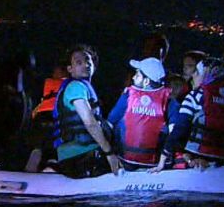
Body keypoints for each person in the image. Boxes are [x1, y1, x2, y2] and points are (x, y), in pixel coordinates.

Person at [160, 57, 224, 170]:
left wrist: (163, 157)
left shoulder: (196, 96)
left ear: (207, 75)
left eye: (197, 72)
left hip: (198, 157)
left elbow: (179, 129)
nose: (193, 76)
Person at [52, 44, 122, 177]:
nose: (86, 65)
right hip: (79, 156)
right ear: (70, 69)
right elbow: (89, 122)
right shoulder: (75, 87)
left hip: (82, 153)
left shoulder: (84, 87)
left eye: (88, 61)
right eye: (79, 62)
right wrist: (109, 153)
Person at [107, 57, 178, 171]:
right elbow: (175, 133)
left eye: (137, 75)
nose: (133, 78)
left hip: (126, 162)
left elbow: (109, 124)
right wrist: (162, 162)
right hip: (157, 165)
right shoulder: (170, 100)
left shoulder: (128, 95)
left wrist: (108, 154)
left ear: (146, 81)